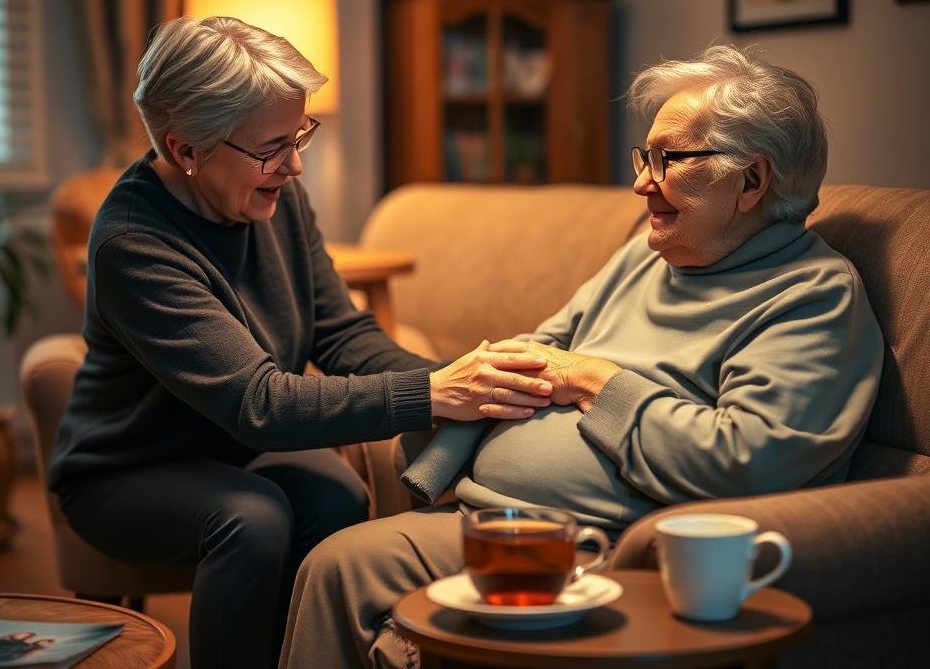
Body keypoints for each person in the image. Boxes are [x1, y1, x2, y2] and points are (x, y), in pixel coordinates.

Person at [280, 45, 884, 669]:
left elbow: (745, 460)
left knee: (342, 565)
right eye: (644, 158)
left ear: (751, 181)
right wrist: (448, 448)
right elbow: (539, 352)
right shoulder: (646, 258)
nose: (641, 183)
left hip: (610, 549)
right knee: (337, 563)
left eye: (669, 160)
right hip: (494, 521)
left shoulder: (812, 298)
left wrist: (598, 382)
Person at [48, 16, 555, 669]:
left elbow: (339, 332)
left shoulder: (270, 195)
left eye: (299, 137)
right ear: (186, 151)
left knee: (335, 493)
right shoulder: (133, 244)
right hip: (124, 471)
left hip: (231, 450)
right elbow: (260, 404)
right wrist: (433, 394)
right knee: (251, 517)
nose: (293, 165)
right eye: (271, 148)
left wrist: (463, 382)